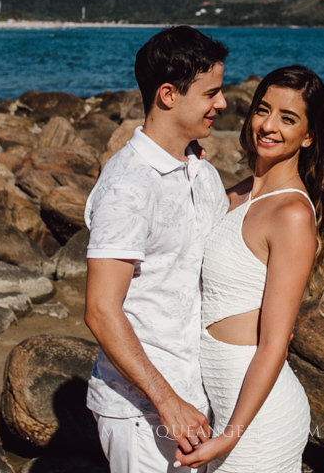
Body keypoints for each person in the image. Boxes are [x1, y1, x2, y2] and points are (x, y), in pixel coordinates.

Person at [176, 65, 324, 472]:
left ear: (309, 135)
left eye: (288, 118)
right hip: (221, 405)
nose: (268, 126)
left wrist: (229, 436)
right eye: (263, 110)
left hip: (258, 422)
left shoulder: (292, 214)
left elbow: (274, 345)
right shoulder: (236, 194)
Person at [84, 25, 231, 473]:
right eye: (211, 93)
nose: (222, 104)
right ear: (168, 95)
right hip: (142, 410)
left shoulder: (201, 172)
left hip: (197, 398)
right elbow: (101, 310)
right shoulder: (127, 185)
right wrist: (167, 401)